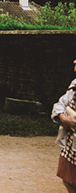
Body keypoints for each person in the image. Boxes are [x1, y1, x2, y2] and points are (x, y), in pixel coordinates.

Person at [53, 58, 76, 193]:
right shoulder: (75, 84)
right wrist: (64, 119)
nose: (74, 61)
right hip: (72, 143)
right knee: (68, 180)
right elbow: (60, 104)